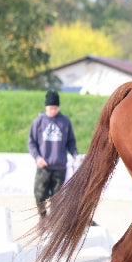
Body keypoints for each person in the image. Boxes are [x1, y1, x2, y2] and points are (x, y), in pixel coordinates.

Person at [28, 89, 78, 218]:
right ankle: (43, 217)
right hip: (43, 166)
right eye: (51, 108)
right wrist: (37, 158)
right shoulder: (38, 122)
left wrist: (75, 154)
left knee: (57, 199)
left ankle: (54, 222)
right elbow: (31, 143)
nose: (53, 111)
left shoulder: (65, 122)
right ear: (46, 107)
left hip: (59, 166)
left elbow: (71, 142)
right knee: (39, 195)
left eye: (55, 108)